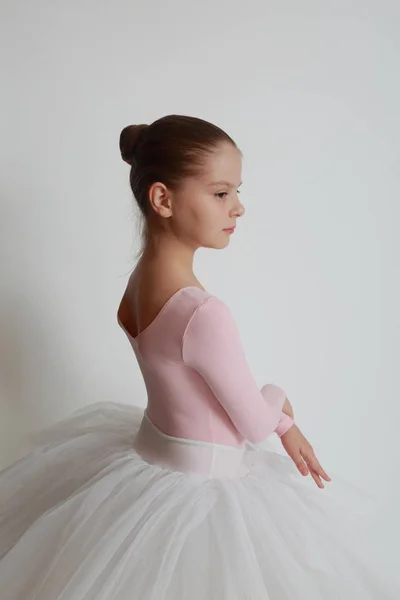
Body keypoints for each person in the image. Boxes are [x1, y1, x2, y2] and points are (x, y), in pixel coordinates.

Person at [0, 115, 398, 599]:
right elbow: (254, 424)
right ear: (163, 199)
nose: (239, 207)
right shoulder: (202, 313)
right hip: (204, 488)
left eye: (236, 191)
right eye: (220, 193)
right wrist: (281, 402)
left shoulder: (138, 282)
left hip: (150, 462)